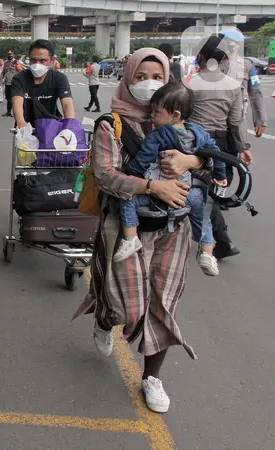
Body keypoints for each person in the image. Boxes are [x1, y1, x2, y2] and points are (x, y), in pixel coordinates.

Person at [73, 49, 206, 414]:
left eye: (157, 75)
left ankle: (152, 377)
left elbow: (209, 153)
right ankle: (104, 317)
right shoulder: (111, 123)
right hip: (126, 228)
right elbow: (105, 176)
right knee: (126, 306)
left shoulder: (182, 124)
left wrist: (191, 159)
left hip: (173, 229)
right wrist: (152, 187)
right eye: (141, 75)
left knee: (162, 304)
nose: (149, 83)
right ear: (127, 77)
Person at [114, 81, 226, 278]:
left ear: (175, 115)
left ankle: (130, 239)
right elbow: (215, 153)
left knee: (128, 199)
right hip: (190, 191)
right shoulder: (198, 132)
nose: (152, 115)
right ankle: (206, 253)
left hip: (160, 191)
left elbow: (144, 159)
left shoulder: (159, 134)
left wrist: (130, 173)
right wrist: (220, 174)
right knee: (203, 217)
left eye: (157, 112)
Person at [185, 35, 248, 260]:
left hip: (194, 143)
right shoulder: (233, 85)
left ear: (200, 57)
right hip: (221, 144)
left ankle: (218, 241)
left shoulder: (190, 83)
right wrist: (242, 148)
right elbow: (236, 122)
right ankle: (219, 241)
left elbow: (182, 116)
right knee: (209, 191)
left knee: (201, 191)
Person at [10, 39, 75, 129]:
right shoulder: (19, 78)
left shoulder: (59, 78)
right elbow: (17, 101)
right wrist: (20, 121)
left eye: (42, 60)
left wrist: (70, 125)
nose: (37, 64)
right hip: (26, 129)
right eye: (33, 60)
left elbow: (67, 103)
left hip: (51, 127)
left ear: (51, 61)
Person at [218, 28, 267, 138]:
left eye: (228, 40)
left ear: (238, 44)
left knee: (240, 148)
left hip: (238, 117)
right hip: (215, 117)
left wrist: (260, 120)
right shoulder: (212, 64)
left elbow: (256, 93)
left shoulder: (247, 65)